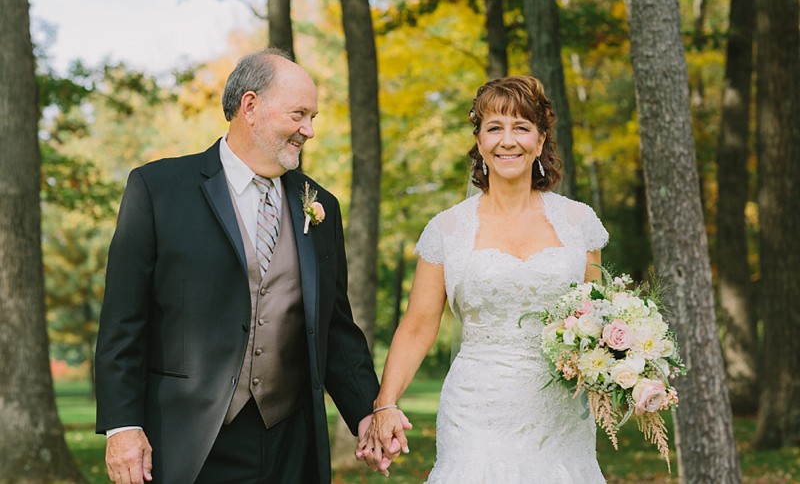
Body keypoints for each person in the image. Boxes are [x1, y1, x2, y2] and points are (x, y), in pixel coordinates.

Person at [95, 48, 407, 484]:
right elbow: (123, 322)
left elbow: (334, 328)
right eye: (299, 114)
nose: (309, 130)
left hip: (290, 440)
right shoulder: (158, 188)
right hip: (188, 439)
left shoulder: (322, 206)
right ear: (251, 106)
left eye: (313, 117)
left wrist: (366, 414)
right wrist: (122, 425)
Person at [358, 75, 609, 482]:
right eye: (495, 127)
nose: (507, 140)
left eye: (521, 128)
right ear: (479, 141)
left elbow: (597, 319)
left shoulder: (579, 224)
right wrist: (385, 403)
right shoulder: (447, 229)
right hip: (476, 411)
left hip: (561, 415)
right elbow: (419, 326)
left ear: (540, 141)